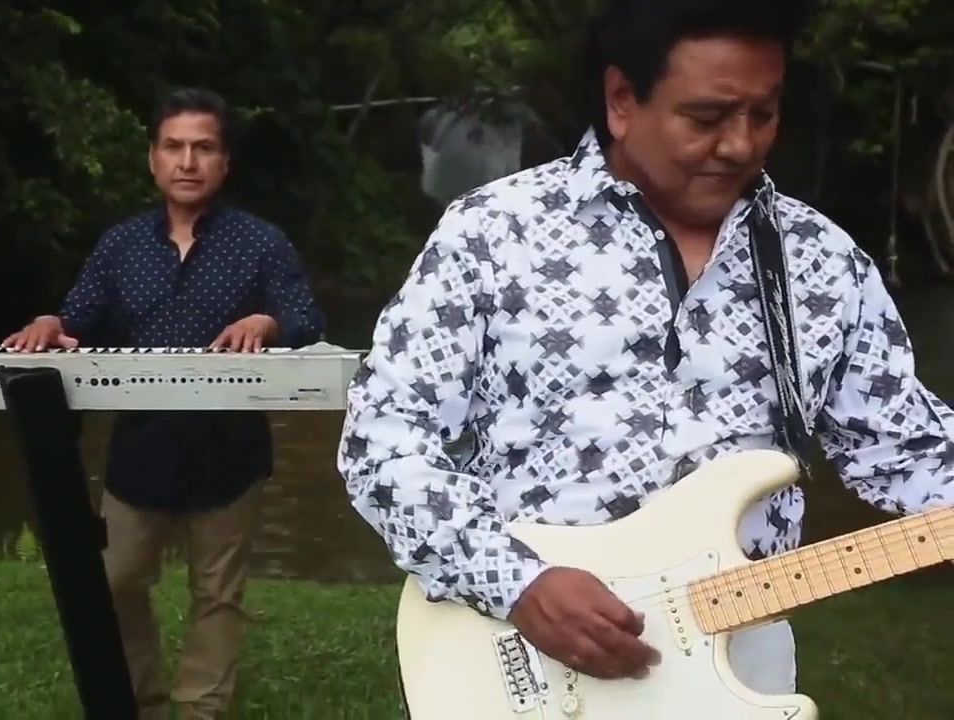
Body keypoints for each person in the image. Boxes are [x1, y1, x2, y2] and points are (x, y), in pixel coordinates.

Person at [337, 0, 953, 699]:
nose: (740, 144)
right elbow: (384, 441)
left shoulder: (822, 261)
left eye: (763, 113)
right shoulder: (492, 235)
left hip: (743, 662)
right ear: (622, 100)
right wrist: (517, 582)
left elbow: (908, 449)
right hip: (520, 657)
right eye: (707, 117)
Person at [4, 87, 325, 719]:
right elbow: (76, 319)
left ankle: (202, 711)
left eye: (203, 148)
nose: (187, 161)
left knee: (217, 594)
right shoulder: (121, 246)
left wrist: (266, 322)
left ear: (225, 161)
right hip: (140, 450)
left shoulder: (261, 243)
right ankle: (141, 704)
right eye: (174, 147)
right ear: (153, 158)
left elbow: (307, 317)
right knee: (116, 580)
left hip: (230, 452)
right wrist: (49, 322)